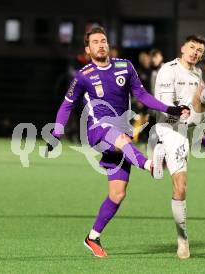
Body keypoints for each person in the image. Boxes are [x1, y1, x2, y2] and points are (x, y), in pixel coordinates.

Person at [46, 26, 190, 257]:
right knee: (121, 138)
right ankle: (150, 166)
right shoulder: (83, 75)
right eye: (95, 42)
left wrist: (171, 109)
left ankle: (92, 237)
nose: (101, 44)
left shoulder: (125, 66)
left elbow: (142, 96)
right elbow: (67, 105)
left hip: (120, 134)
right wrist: (56, 134)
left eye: (103, 40)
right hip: (98, 130)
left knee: (117, 194)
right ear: (88, 49)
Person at [153, 34, 205, 259]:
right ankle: (182, 239)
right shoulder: (169, 69)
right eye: (193, 48)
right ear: (183, 48)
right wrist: (179, 110)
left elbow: (201, 99)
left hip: (193, 127)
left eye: (200, 51)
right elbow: (164, 102)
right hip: (172, 129)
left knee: (203, 93)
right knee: (181, 188)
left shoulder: (196, 73)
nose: (196, 53)